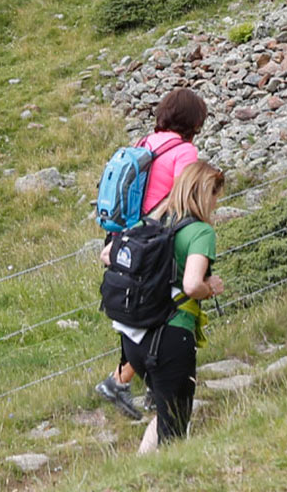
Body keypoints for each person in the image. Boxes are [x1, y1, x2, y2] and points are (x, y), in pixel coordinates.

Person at [92, 89, 209, 421]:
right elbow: (186, 196)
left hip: (126, 237)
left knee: (134, 309)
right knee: (162, 309)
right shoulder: (184, 150)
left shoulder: (146, 141)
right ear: (194, 121)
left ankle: (129, 382)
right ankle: (143, 386)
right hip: (153, 242)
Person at [106, 161, 226, 450]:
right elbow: (191, 285)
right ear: (205, 192)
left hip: (135, 337)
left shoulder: (152, 220)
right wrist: (211, 288)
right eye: (215, 196)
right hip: (172, 337)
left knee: (164, 414)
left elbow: (108, 254)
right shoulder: (200, 233)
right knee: (175, 427)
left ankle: (140, 477)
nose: (215, 205)